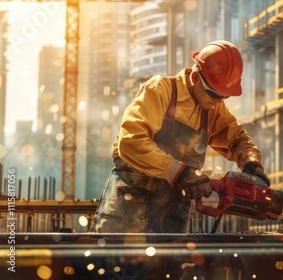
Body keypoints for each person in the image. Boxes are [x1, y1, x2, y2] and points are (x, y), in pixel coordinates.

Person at [89, 40, 270, 233]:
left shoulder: (212, 108)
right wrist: (180, 172)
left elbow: (238, 139)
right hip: (128, 207)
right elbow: (131, 141)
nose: (217, 102)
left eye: (223, 96)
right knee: (110, 262)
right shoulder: (161, 89)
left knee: (166, 262)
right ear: (194, 77)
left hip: (171, 213)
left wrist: (251, 162)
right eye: (213, 93)